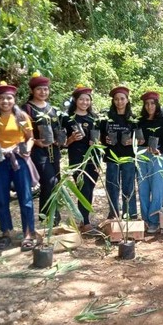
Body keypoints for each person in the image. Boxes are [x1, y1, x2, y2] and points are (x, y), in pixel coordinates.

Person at [0, 81, 36, 251]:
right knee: (2, 198)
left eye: (9, 98)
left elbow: (30, 138)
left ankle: (28, 233)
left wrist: (27, 149)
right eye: (1, 98)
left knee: (25, 197)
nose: (5, 101)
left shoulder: (22, 117)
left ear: (14, 99)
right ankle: (6, 233)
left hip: (19, 159)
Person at [22, 73, 61, 226]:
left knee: (55, 182)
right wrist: (34, 142)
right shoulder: (26, 109)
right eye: (39, 89)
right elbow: (21, 131)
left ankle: (54, 218)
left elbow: (58, 128)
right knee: (49, 181)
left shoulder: (52, 109)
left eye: (45, 89)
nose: (43, 92)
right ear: (32, 91)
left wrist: (61, 139)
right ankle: (46, 218)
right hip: (37, 151)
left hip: (54, 151)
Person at [62, 85, 101, 234]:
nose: (84, 102)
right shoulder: (68, 119)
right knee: (83, 189)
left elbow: (100, 140)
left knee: (89, 189)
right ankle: (85, 222)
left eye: (87, 100)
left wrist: (97, 145)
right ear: (75, 100)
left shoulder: (95, 118)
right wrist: (71, 138)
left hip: (93, 159)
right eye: (81, 99)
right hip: (78, 159)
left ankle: (84, 220)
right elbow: (62, 143)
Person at [100, 85, 138, 219]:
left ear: (127, 100)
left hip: (128, 157)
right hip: (111, 157)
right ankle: (114, 213)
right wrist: (104, 140)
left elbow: (139, 139)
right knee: (112, 187)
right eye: (116, 99)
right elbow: (99, 137)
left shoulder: (133, 119)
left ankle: (130, 214)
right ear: (113, 101)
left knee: (129, 187)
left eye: (122, 99)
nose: (119, 102)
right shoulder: (106, 118)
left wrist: (133, 141)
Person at [137, 91, 163, 234]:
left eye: (152, 103)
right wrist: (138, 142)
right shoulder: (140, 121)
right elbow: (135, 139)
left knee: (157, 189)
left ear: (157, 105)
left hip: (157, 157)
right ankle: (145, 219)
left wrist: (158, 150)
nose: (150, 106)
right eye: (147, 104)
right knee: (143, 188)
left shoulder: (162, 121)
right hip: (141, 155)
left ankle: (154, 220)